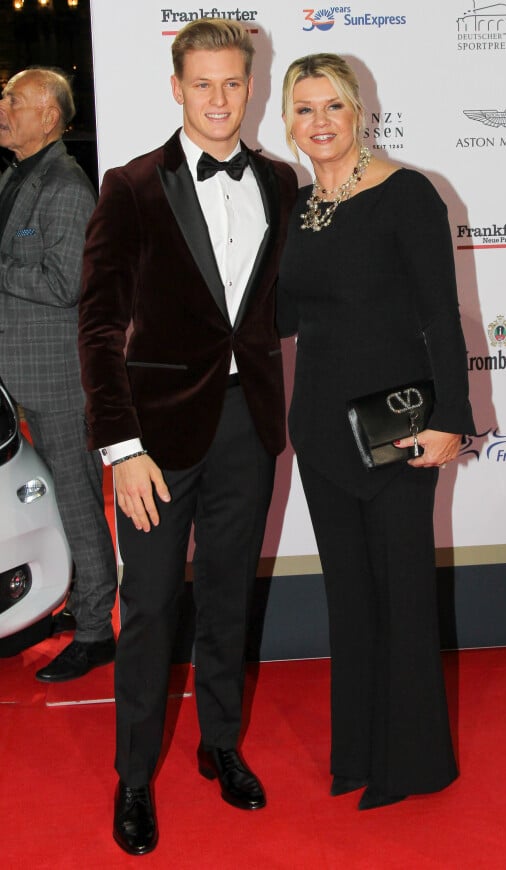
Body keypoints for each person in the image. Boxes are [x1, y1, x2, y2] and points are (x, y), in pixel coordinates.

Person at [78, 19, 297, 856]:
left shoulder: (279, 183)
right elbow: (98, 327)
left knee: (231, 598)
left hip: (250, 427)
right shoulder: (132, 186)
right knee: (153, 606)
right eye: (201, 84)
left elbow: (289, 306)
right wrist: (121, 449)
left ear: (252, 87)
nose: (218, 99)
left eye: (233, 84)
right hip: (157, 443)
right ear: (176, 87)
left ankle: (220, 744)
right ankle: (134, 777)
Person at [277, 54, 475, 811]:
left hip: (399, 428)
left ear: (360, 112)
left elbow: (440, 313)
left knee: (401, 591)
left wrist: (452, 418)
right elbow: (286, 317)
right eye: (303, 109)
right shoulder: (299, 206)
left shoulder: (406, 193)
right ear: (288, 122)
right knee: (349, 596)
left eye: (332, 106)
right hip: (321, 431)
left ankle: (416, 763)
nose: (318, 122)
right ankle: (356, 752)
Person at [0, 68, 117, 681]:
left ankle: (97, 629)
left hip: (54, 379)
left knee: (75, 499)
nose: (2, 106)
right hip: (15, 378)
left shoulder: (66, 186)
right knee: (34, 503)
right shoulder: (18, 177)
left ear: (49, 114)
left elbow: (62, 283)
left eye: (13, 98)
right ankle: (55, 600)